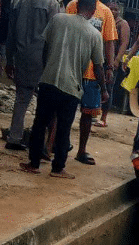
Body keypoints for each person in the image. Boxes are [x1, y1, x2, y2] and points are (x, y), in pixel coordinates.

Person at [20, 0, 107, 179]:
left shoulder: (58, 19)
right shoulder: (94, 34)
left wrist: (47, 70)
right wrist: (104, 89)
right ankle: (58, 168)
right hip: (71, 87)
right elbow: (98, 67)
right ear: (92, 12)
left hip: (48, 81)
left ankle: (34, 164)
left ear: (75, 7)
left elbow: (45, 48)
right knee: (63, 128)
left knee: (40, 124)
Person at [66, 0, 117, 165]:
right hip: (71, 68)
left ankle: (81, 150)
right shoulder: (72, 5)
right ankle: (55, 144)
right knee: (64, 110)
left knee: (87, 114)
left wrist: (109, 67)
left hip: (93, 72)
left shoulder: (105, 12)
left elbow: (109, 41)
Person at [4, 0, 60, 150]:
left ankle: (14, 138)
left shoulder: (17, 2)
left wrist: (9, 60)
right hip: (43, 57)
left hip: (21, 55)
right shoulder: (51, 4)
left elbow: (11, 34)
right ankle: (42, 143)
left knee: (21, 99)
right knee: (46, 102)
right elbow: (54, 34)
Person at [95, 1, 130, 127]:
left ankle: (104, 118)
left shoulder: (122, 24)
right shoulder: (104, 20)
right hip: (100, 59)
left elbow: (124, 44)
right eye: (111, 9)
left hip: (112, 62)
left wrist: (116, 61)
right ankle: (94, 113)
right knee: (96, 86)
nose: (113, 11)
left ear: (119, 11)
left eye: (115, 9)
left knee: (108, 88)